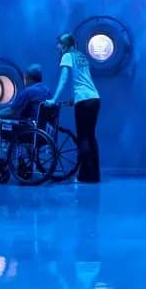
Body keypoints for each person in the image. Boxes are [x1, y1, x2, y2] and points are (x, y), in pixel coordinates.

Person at [0, 64, 51, 171]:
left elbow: (11, 110)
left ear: (28, 78)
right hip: (44, 130)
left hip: (29, 129)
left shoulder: (28, 92)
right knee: (7, 123)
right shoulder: (47, 91)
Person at [46, 33, 101, 183]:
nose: (57, 47)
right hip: (94, 99)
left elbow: (64, 79)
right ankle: (94, 175)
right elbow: (83, 80)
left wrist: (54, 100)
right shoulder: (81, 56)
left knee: (82, 137)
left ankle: (86, 176)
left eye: (58, 44)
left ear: (64, 44)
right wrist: (73, 99)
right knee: (90, 136)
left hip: (83, 100)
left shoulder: (67, 56)